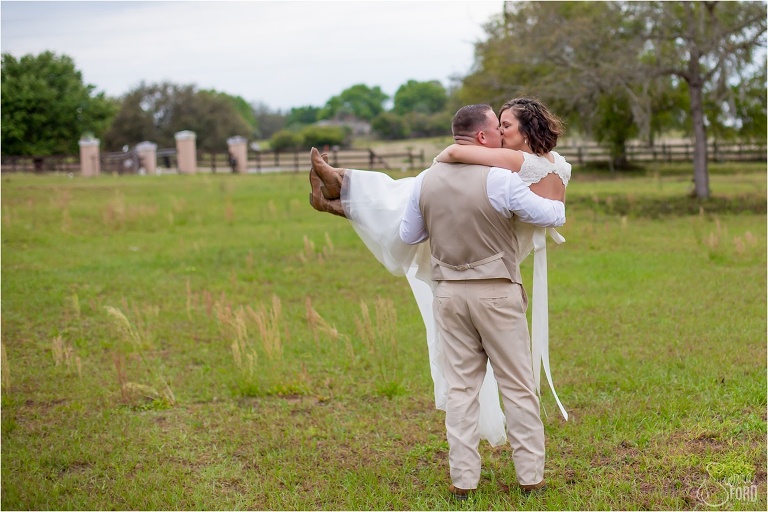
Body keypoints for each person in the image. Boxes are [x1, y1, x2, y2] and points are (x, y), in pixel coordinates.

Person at [309, 98, 571, 497]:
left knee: (462, 390)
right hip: (496, 293)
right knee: (517, 387)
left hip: (448, 295)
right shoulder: (501, 180)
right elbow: (552, 215)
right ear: (483, 135)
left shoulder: (428, 179)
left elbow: (409, 236)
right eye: (497, 128)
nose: (502, 134)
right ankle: (530, 477)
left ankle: (463, 482)